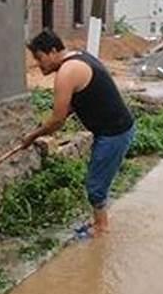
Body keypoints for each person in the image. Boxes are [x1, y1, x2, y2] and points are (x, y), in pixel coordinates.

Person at [22, 29, 135, 237]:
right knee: (98, 178)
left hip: (114, 133)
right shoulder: (78, 57)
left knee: (95, 185)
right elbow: (77, 101)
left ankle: (101, 229)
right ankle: (100, 222)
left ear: (53, 51)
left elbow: (57, 121)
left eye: (39, 58)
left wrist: (32, 136)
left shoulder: (67, 72)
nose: (38, 65)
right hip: (113, 128)